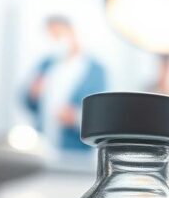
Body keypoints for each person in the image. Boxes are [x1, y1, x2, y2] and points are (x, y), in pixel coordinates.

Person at [24, 16, 107, 152]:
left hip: (74, 148)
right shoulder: (46, 64)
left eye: (57, 35)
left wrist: (76, 117)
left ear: (71, 32)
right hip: (43, 144)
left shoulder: (95, 70)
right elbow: (27, 102)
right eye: (51, 36)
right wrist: (32, 94)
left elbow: (100, 113)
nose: (55, 41)